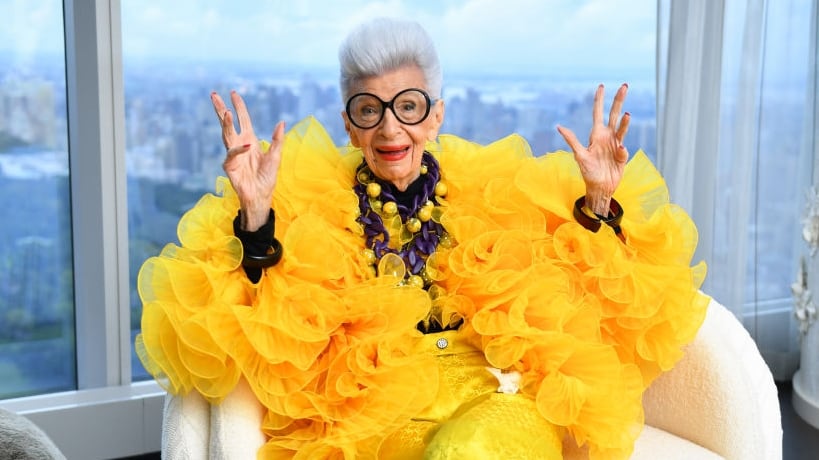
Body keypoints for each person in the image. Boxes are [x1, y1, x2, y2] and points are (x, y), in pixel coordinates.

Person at [136, 17, 708, 459]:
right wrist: (257, 215)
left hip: (494, 396)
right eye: (370, 110)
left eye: (407, 107)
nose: (390, 129)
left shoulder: (492, 186)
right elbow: (258, 316)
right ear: (349, 123)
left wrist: (600, 202)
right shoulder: (312, 201)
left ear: (434, 115)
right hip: (380, 413)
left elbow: (578, 280)